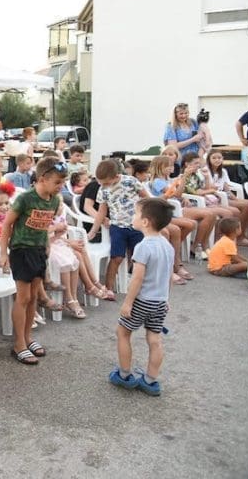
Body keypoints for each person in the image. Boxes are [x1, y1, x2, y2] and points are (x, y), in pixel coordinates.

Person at [0, 157, 68, 365]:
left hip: (39, 251)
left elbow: (44, 226)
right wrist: (3, 253)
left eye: (63, 182)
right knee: (23, 297)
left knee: (33, 298)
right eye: (57, 182)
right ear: (42, 178)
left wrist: (46, 245)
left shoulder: (54, 201)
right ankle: (19, 344)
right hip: (21, 250)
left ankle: (28, 338)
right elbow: (7, 225)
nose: (61, 186)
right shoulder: (25, 199)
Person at [109, 198, 175, 396]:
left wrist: (128, 303)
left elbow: (137, 279)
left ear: (145, 222)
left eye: (136, 213)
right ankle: (150, 380)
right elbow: (168, 275)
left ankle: (124, 374)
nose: (133, 217)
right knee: (154, 339)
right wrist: (166, 298)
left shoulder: (143, 246)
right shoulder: (167, 245)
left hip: (142, 300)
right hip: (159, 301)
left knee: (123, 332)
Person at [89, 159, 151, 292]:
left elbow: (146, 198)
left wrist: (146, 216)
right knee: (116, 257)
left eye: (106, 182)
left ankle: (140, 286)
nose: (103, 185)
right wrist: (94, 229)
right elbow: (102, 211)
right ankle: (108, 288)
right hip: (117, 227)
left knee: (139, 257)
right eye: (101, 183)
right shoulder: (103, 189)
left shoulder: (131, 181)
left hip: (136, 226)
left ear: (116, 176)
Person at [206, 149, 248, 243]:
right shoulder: (206, 172)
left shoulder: (223, 171)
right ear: (209, 159)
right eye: (214, 158)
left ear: (222, 159)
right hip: (216, 199)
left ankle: (242, 233)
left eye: (219, 158)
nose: (217, 160)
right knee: (246, 206)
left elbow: (226, 188)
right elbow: (210, 189)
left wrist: (236, 199)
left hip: (225, 196)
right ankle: (237, 236)